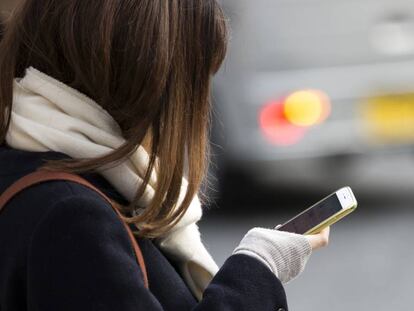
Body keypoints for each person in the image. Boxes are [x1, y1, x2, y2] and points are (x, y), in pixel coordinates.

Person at [0, 1, 329, 310]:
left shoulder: (29, 162)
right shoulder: (71, 217)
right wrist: (259, 267)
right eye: (192, 83)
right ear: (147, 80)